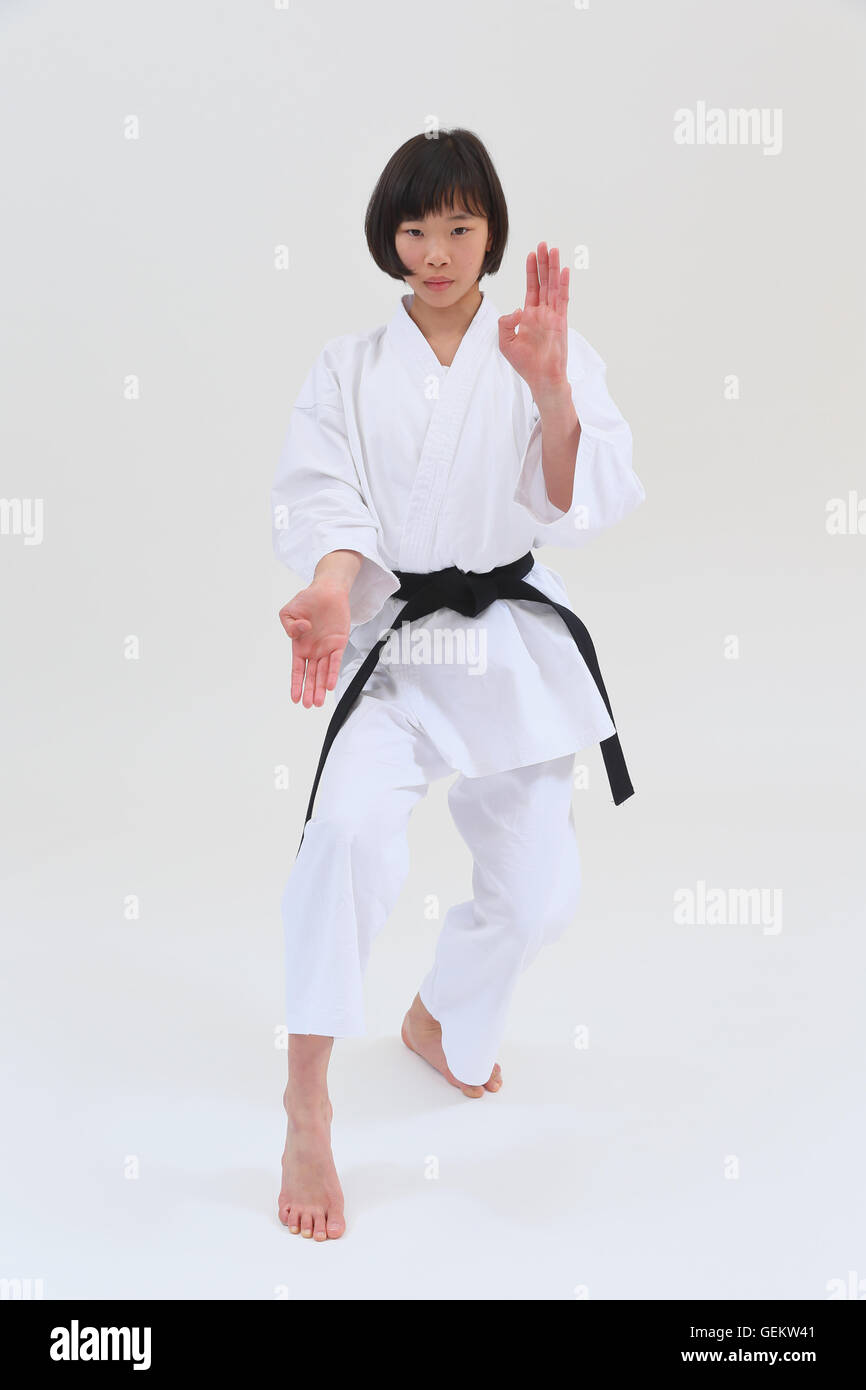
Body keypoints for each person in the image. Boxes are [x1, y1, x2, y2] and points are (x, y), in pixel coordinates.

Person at [270, 128, 645, 1240]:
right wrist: (334, 588)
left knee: (538, 895)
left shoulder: (541, 343)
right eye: (414, 227)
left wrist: (550, 391)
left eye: (459, 227)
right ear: (388, 235)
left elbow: (580, 497)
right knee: (341, 837)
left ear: (492, 231)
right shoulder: (346, 366)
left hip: (507, 644)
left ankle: (440, 1018)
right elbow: (328, 500)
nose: (435, 250)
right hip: (399, 641)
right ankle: (305, 1098)